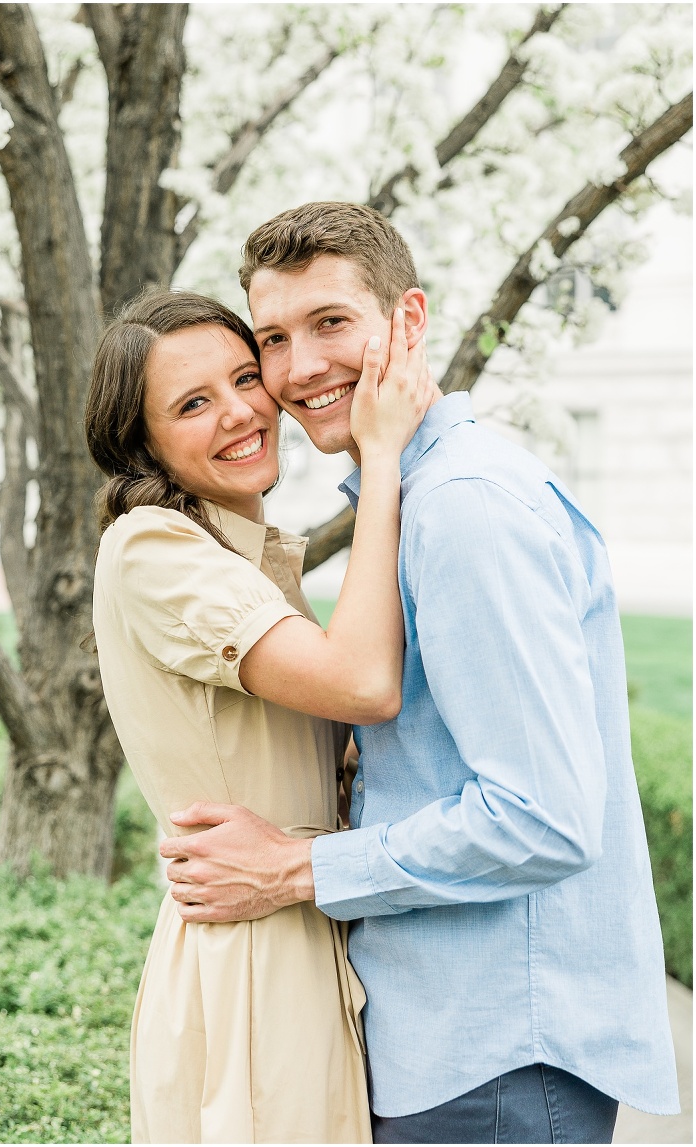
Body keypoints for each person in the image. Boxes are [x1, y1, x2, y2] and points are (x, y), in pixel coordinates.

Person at [161, 202, 680, 1145]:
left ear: (408, 320)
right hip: (451, 1041)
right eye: (274, 339)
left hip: (496, 1057)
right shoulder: (413, 496)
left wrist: (293, 869)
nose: (300, 368)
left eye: (330, 322)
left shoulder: (462, 509)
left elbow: (542, 815)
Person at [85, 287, 433, 1143]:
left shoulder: (241, 557)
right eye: (193, 404)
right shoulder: (153, 549)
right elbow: (363, 682)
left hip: (297, 933)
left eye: (246, 378)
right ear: (142, 441)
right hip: (251, 964)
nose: (241, 412)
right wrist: (381, 456)